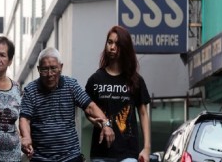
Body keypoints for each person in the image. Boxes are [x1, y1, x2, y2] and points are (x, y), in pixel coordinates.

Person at [19, 47, 115, 162]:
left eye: (53, 68)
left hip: (71, 156)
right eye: (45, 69)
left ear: (61, 67)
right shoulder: (31, 90)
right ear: (38, 69)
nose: (50, 74)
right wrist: (26, 137)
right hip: (41, 158)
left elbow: (90, 107)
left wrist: (106, 124)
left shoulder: (71, 85)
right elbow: (24, 119)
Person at [85, 25, 151, 162]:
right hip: (101, 152)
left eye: (117, 44)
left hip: (128, 152)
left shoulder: (135, 80)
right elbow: (87, 110)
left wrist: (147, 147)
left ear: (125, 48)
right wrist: (96, 122)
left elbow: (143, 114)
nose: (112, 47)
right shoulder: (95, 79)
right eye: (110, 42)